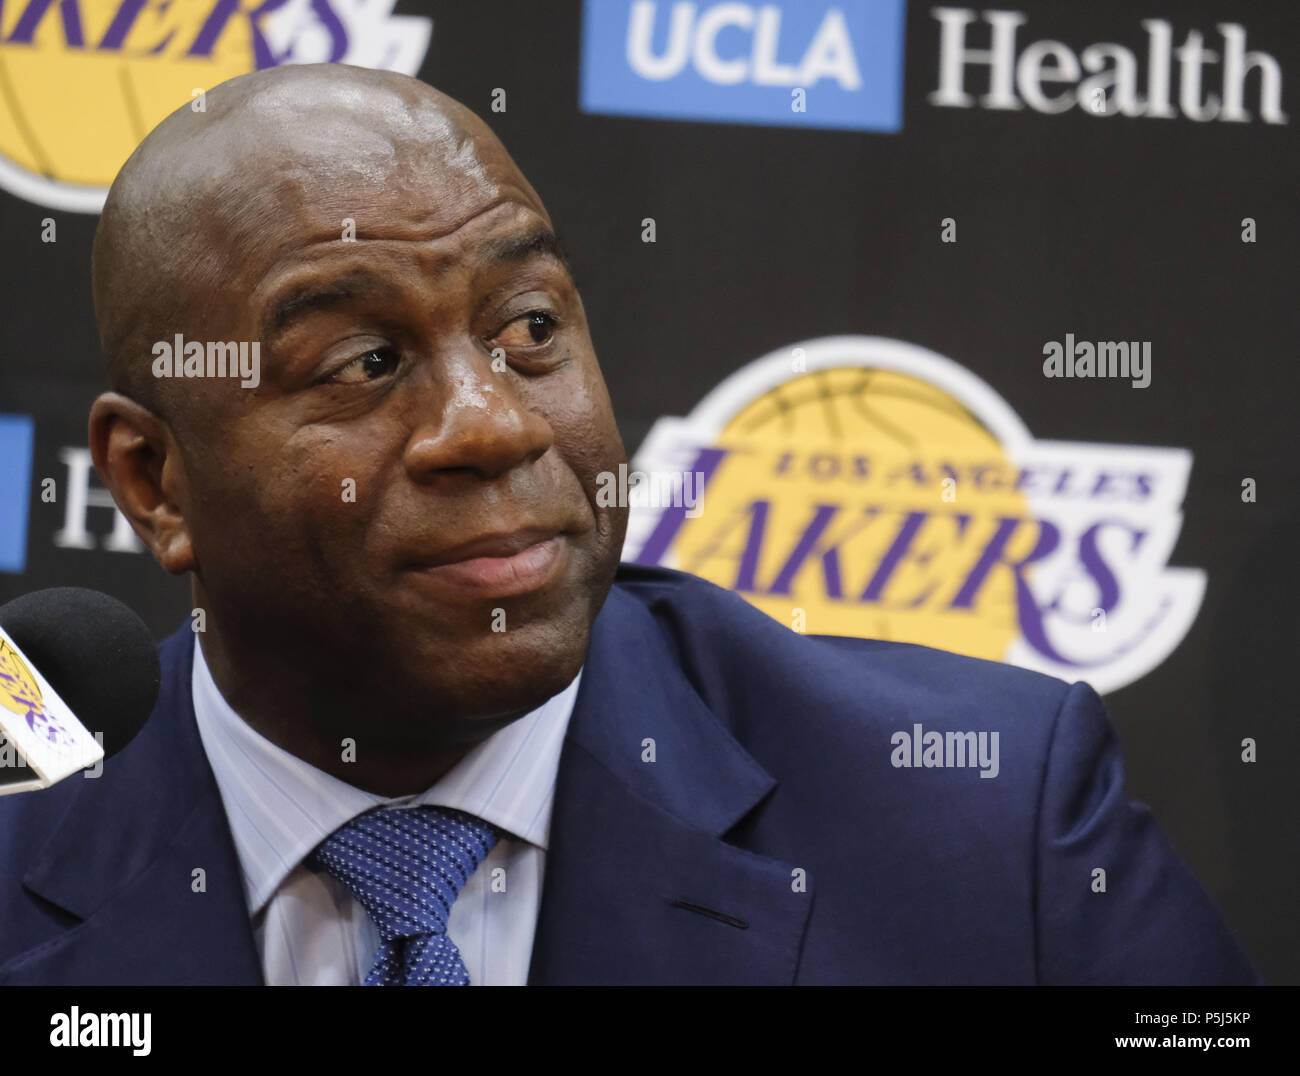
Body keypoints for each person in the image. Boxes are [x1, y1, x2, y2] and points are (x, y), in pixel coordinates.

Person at [0, 63, 1260, 985]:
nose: (492, 425)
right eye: (366, 359)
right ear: (155, 480)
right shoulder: (24, 822)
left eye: (530, 329)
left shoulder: (985, 826)